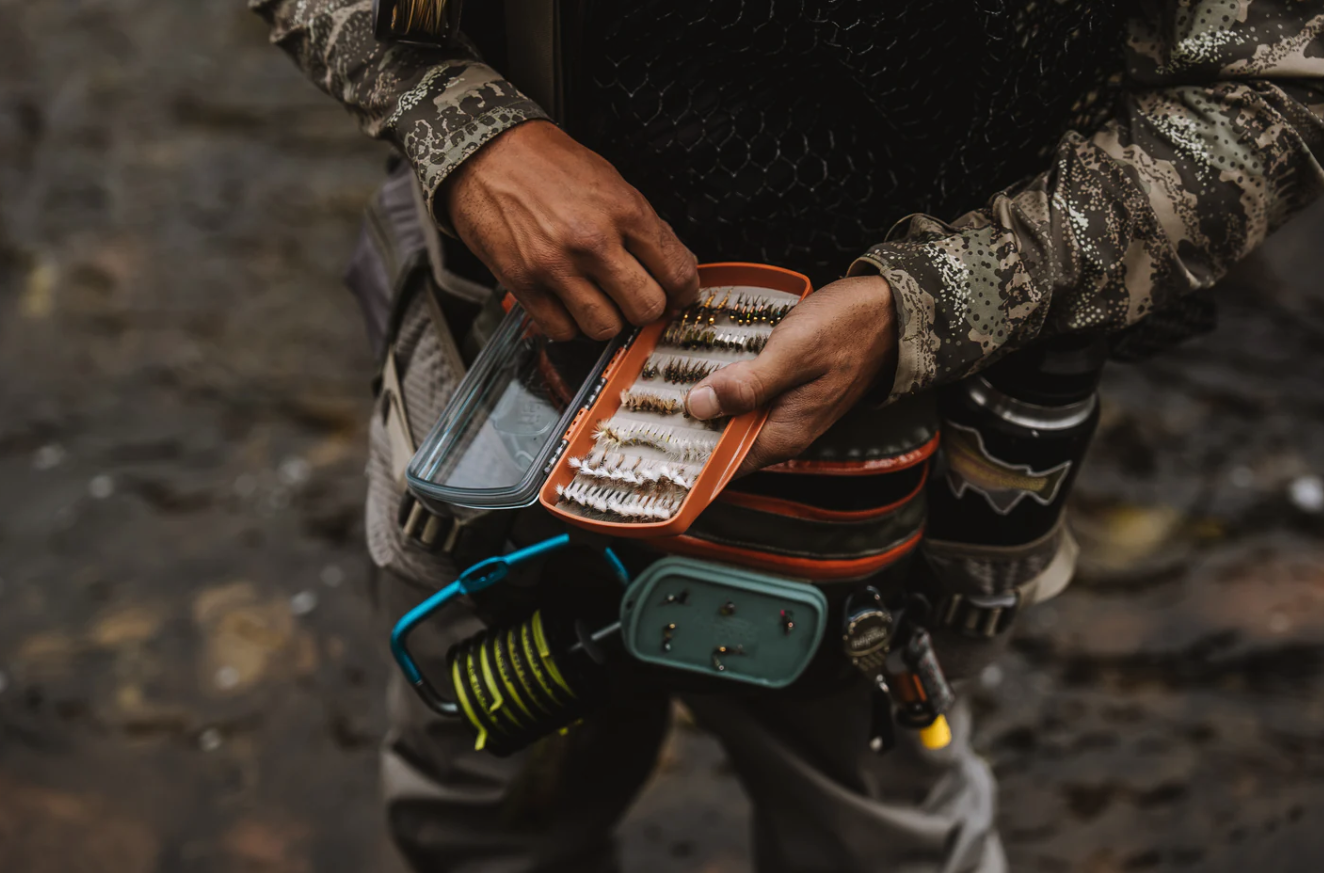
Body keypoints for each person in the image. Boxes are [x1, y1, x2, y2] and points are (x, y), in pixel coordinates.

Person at [250, 2, 1324, 871]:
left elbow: (1288, 84)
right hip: (502, 401)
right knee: (485, 826)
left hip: (892, 478)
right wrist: (463, 126)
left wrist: (931, 304)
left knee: (881, 841)